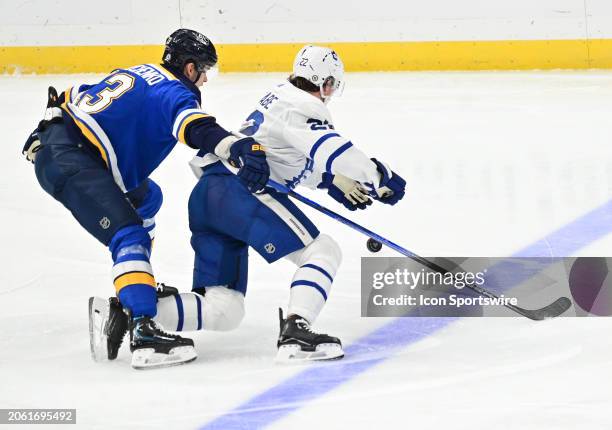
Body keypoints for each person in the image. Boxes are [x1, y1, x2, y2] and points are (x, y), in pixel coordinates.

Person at [98, 45, 406, 362]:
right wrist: (377, 175)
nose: (329, 93)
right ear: (322, 81)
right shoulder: (302, 106)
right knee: (322, 250)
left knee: (224, 308)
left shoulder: (281, 97)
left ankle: (136, 310)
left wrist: (329, 181)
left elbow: (287, 157)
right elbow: (330, 148)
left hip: (208, 195)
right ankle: (296, 332)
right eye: (330, 85)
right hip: (238, 192)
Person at [22, 29, 270, 369]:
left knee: (147, 198)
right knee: (130, 235)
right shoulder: (176, 92)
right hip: (77, 162)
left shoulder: (138, 71)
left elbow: (68, 94)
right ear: (188, 67)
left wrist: (44, 129)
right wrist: (233, 145)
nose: (206, 78)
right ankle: (143, 328)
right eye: (204, 69)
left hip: (65, 148)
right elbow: (196, 128)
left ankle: (138, 281)